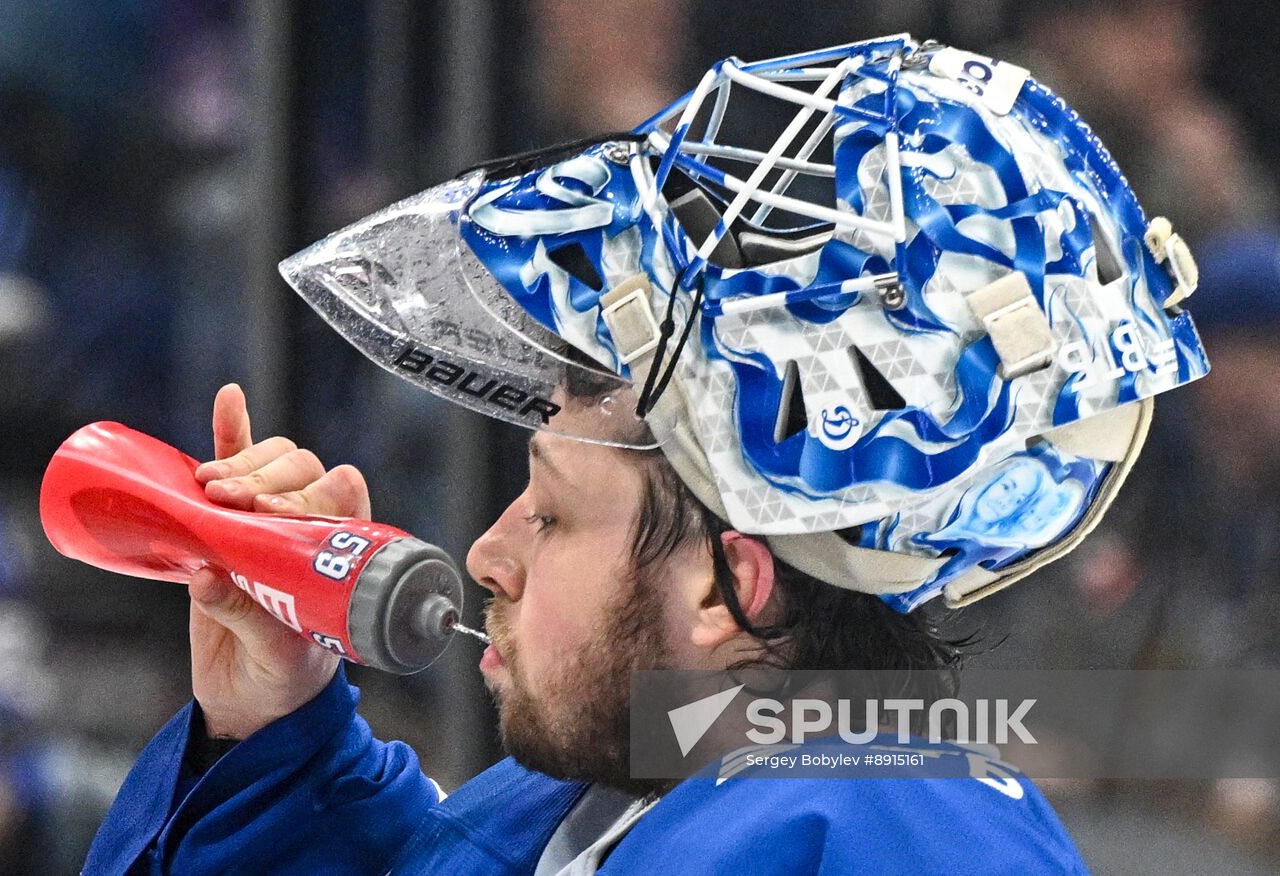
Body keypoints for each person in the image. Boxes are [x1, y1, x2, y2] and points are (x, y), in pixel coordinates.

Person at [85, 36, 1208, 873]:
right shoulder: (635, 797)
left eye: (551, 509)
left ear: (731, 586)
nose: (484, 554)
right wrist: (269, 739)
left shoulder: (873, 835)